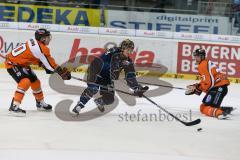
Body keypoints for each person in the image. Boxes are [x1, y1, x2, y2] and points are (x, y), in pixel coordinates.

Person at [5, 28, 71, 116]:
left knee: (35, 81)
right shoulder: (41, 48)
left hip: (22, 64)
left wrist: (41, 63)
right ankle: (14, 106)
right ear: (42, 39)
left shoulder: (34, 40)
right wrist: (61, 72)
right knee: (25, 81)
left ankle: (40, 103)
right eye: (47, 37)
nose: (49, 39)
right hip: (12, 64)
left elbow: (31, 55)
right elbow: (51, 66)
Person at [72, 39, 149, 114]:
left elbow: (130, 76)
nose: (129, 52)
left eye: (131, 50)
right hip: (95, 71)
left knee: (110, 99)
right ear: (122, 48)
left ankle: (99, 102)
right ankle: (80, 105)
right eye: (127, 49)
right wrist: (121, 65)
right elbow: (114, 68)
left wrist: (137, 88)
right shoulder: (115, 51)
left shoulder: (128, 61)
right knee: (93, 89)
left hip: (106, 77)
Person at [185, 48, 234, 119]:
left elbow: (209, 83)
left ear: (202, 56)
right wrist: (197, 86)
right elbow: (207, 82)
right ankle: (223, 109)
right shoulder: (205, 63)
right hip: (220, 87)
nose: (195, 58)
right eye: (195, 56)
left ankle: (220, 113)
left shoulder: (202, 65)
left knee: (203, 107)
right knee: (207, 106)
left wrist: (198, 88)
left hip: (218, 88)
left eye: (197, 56)